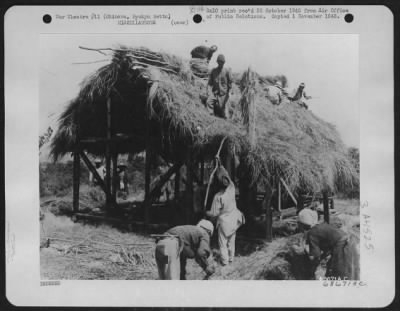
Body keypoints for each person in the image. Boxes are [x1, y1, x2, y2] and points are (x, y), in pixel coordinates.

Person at [296, 208, 360, 280]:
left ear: (302, 225)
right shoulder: (320, 227)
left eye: (299, 224)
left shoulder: (311, 233)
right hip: (348, 243)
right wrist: (322, 258)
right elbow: (328, 247)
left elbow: (316, 256)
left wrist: (312, 270)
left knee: (341, 273)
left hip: (342, 246)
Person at [206, 163, 245, 265]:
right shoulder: (231, 189)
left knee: (223, 243)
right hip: (234, 220)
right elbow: (226, 175)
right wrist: (221, 165)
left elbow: (215, 213)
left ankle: (225, 261)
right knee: (232, 241)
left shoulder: (217, 196)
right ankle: (231, 259)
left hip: (224, 222)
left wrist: (206, 212)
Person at [206, 54, 233, 119]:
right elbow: (209, 84)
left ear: (224, 63)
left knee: (222, 109)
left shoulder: (226, 71)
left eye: (222, 62)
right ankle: (211, 115)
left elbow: (230, 83)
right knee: (209, 102)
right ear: (217, 62)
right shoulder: (213, 71)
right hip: (215, 93)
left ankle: (227, 115)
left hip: (223, 94)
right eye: (219, 62)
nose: (221, 63)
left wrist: (229, 93)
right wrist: (209, 93)